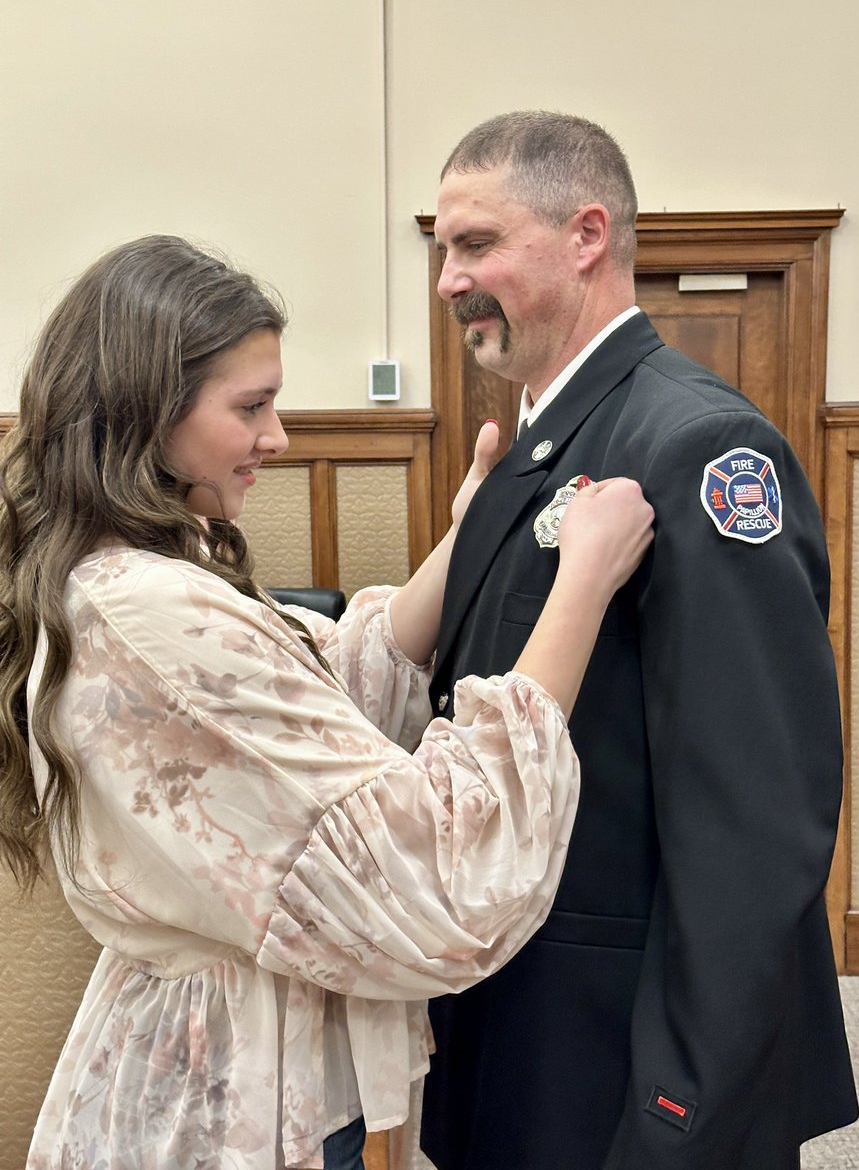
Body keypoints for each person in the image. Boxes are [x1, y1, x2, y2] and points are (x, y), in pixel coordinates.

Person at [0, 234, 655, 1170]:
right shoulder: (145, 609)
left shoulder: (134, 570)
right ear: (146, 411)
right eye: (250, 407)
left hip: (239, 1071)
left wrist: (467, 534)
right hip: (229, 1104)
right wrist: (584, 583)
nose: (277, 437)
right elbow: (440, 865)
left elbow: (315, 699)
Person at [419, 111, 858, 1170]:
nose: (447, 280)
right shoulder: (540, 441)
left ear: (587, 235)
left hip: (621, 1065)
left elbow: (753, 825)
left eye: (476, 244)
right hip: (524, 1031)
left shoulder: (699, 445)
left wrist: (678, 1107)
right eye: (443, 249)